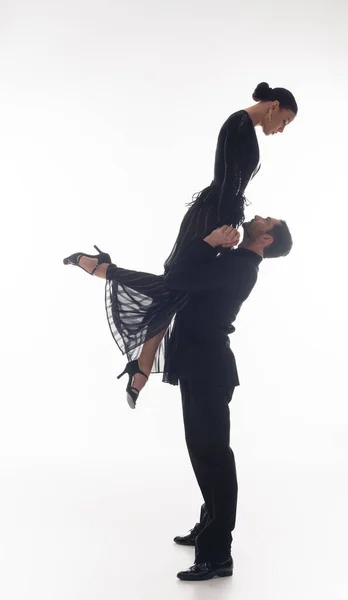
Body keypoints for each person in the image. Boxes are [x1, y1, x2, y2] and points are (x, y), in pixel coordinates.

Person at [63, 81, 298, 408]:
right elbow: (230, 178)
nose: (282, 129)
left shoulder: (246, 128)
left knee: (178, 290)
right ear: (273, 106)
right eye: (285, 120)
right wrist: (226, 227)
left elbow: (233, 182)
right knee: (174, 284)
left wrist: (228, 224)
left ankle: (140, 364)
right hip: (211, 216)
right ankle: (99, 270)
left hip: (218, 215)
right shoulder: (240, 123)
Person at [163, 219, 293, 580]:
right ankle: (208, 526)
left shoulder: (238, 266)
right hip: (199, 364)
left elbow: (178, 279)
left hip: (207, 367)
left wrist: (207, 243)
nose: (258, 216)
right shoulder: (234, 259)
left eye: (267, 221)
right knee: (204, 453)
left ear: (266, 239)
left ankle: (217, 554)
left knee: (214, 457)